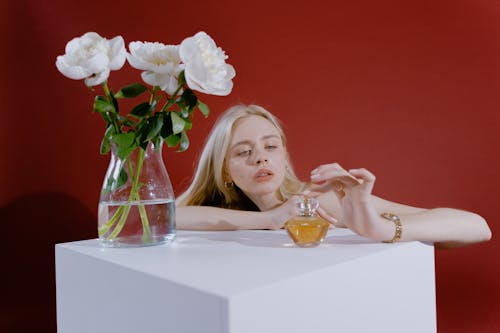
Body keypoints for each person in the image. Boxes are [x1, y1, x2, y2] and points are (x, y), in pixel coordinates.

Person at [176, 104, 491, 248]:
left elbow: (477, 226)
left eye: (270, 146)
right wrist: (270, 219)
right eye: (243, 152)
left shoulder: (320, 202)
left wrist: (378, 227)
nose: (261, 157)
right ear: (225, 171)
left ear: (284, 157)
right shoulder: (230, 214)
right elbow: (163, 216)